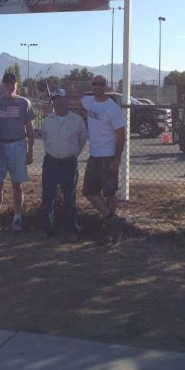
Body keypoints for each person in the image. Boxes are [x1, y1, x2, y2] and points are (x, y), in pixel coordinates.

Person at [0, 71, 35, 234]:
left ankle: (17, 217)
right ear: (3, 85)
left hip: (18, 145)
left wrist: (30, 150)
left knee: (17, 184)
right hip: (0, 146)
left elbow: (30, 129)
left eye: (13, 83)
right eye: (7, 83)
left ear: (17, 85)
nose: (10, 86)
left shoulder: (24, 103)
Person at [81, 75, 126, 244]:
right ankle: (112, 220)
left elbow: (121, 135)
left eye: (101, 84)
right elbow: (75, 97)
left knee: (109, 193)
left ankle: (110, 230)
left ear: (106, 86)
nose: (98, 86)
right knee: (89, 191)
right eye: (95, 84)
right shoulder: (88, 101)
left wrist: (117, 159)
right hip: (94, 155)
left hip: (108, 156)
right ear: (91, 86)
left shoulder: (112, 108)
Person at [40, 89, 87, 242]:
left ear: (68, 100)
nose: (59, 102)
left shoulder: (77, 120)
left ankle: (71, 230)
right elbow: (45, 138)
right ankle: (46, 229)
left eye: (62, 98)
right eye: (56, 99)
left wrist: (73, 154)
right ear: (53, 102)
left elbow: (82, 139)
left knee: (70, 198)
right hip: (50, 163)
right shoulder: (48, 120)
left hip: (69, 164)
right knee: (47, 197)